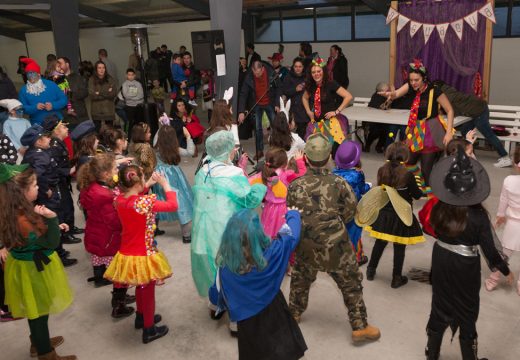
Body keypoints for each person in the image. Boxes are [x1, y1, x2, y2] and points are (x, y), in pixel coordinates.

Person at [286, 133, 381, 343]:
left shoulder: (295, 185)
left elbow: (290, 213)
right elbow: (349, 213)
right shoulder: (339, 183)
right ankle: (359, 327)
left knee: (300, 280)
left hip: (305, 243)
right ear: (329, 157)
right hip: (336, 245)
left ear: (307, 158)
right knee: (351, 282)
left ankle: (293, 313)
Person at [426, 147, 513, 360]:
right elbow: (490, 250)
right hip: (465, 265)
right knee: (466, 309)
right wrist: (505, 270)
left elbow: (434, 229)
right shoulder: (478, 216)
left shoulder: (440, 208)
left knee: (440, 303)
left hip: (440, 258)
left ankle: (432, 353)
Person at [208, 209, 307, 360]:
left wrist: (215, 302)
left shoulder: (224, 270)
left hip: (248, 324)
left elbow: (216, 294)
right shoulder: (273, 255)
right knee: (283, 350)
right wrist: (292, 214)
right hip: (275, 314)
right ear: (258, 234)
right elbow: (291, 235)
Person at [1, 163, 75, 360]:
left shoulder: (12, 210)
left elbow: (33, 237)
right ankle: (46, 354)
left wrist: (51, 225)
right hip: (33, 269)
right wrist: (52, 220)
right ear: (22, 192)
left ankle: (38, 341)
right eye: (34, 185)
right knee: (39, 311)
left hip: (23, 264)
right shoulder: (24, 220)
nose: (38, 188)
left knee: (35, 308)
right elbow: (51, 243)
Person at [104, 166, 178, 344]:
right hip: (144, 254)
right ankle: (149, 328)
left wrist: (148, 183)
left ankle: (141, 317)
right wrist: (165, 184)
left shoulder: (119, 199)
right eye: (143, 178)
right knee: (147, 291)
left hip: (126, 253)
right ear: (137, 182)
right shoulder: (144, 203)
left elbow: (133, 196)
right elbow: (172, 205)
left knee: (139, 285)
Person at [191, 130, 266, 297]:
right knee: (230, 264)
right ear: (227, 150)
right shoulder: (234, 174)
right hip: (226, 227)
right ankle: (232, 302)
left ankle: (214, 299)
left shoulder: (203, 170)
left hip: (203, 227)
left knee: (211, 263)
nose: (235, 150)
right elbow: (249, 200)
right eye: (233, 147)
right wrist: (259, 186)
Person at [77, 153, 136, 318]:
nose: (118, 170)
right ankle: (119, 305)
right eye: (115, 168)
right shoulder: (104, 197)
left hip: (100, 236)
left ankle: (121, 296)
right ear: (105, 174)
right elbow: (115, 222)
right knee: (121, 272)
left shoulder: (93, 187)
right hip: (110, 240)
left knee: (118, 272)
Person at [359, 142, 425, 288]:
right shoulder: (408, 175)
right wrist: (420, 186)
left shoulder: (382, 170)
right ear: (405, 157)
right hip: (400, 217)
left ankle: (370, 270)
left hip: (384, 215)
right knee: (399, 248)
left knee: (379, 243)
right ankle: (396, 278)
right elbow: (417, 195)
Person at [380, 59, 454, 186]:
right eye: (411, 80)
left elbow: (450, 110)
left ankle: (430, 194)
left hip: (431, 129)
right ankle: (415, 187)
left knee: (426, 169)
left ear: (424, 78)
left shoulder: (434, 91)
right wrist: (389, 94)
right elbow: (396, 93)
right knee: (408, 162)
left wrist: (448, 133)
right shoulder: (410, 87)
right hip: (415, 129)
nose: (413, 83)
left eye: (416, 80)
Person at [21, 124, 78, 267]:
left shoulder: (37, 152)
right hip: (47, 194)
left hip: (47, 190)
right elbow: (38, 175)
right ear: (39, 141)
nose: (49, 138)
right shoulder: (39, 155)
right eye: (46, 137)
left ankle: (58, 251)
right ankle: (58, 254)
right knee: (52, 220)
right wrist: (45, 189)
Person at [434, 80, 512, 168]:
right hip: (475, 112)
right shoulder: (449, 91)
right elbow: (457, 108)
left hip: (479, 112)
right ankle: (469, 153)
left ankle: (505, 157)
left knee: (489, 134)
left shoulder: (446, 95)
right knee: (465, 131)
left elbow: (452, 110)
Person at [41, 116, 82, 247]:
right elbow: (55, 167)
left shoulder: (59, 142)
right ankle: (65, 233)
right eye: (63, 126)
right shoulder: (54, 146)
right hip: (57, 181)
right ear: (56, 130)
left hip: (63, 180)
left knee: (68, 203)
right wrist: (70, 170)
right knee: (63, 206)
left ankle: (71, 226)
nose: (67, 128)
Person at [485, 146, 520, 294]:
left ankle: (493, 280)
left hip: (512, 223)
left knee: (504, 253)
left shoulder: (509, 180)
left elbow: (503, 199)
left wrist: (500, 215)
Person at [250, 147, 306, 239]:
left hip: (269, 207)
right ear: (285, 164)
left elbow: (250, 182)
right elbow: (301, 176)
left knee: (269, 231)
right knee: (284, 233)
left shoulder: (263, 174)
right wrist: (299, 161)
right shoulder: (287, 174)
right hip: (283, 209)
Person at [152, 125, 194, 244]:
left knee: (159, 200)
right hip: (173, 176)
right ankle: (186, 235)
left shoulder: (156, 147)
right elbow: (190, 152)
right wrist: (188, 136)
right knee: (181, 203)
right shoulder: (175, 149)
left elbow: (156, 138)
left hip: (159, 177)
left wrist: (160, 126)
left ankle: (153, 229)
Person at [302, 55, 351, 157]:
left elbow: (348, 96)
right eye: (313, 72)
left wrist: (336, 111)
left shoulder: (331, 84)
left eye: (318, 71)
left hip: (331, 124)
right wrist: (308, 111)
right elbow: (304, 98)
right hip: (316, 123)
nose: (316, 74)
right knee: (317, 152)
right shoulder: (310, 86)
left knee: (332, 152)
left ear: (323, 71)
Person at [332, 141, 370, 265]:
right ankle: (357, 257)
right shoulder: (357, 174)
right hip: (353, 208)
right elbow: (363, 188)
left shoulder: (333, 173)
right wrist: (369, 186)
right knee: (354, 232)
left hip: (337, 208)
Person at [238, 61, 281, 159]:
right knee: (257, 129)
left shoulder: (271, 73)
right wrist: (241, 111)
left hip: (270, 103)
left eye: (258, 73)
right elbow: (243, 94)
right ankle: (259, 151)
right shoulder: (249, 76)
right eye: (254, 73)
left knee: (275, 127)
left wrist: (277, 103)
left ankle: (276, 149)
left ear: (262, 69)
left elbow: (279, 88)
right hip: (256, 104)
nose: (256, 76)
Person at [18, 58, 68, 126]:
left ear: (38, 74)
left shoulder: (51, 84)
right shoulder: (23, 90)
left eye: (33, 73)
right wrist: (35, 107)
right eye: (28, 73)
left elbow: (64, 100)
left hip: (57, 122)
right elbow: (23, 108)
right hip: (38, 125)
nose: (30, 76)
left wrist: (53, 105)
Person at [57, 56, 90, 126]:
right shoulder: (57, 80)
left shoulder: (78, 78)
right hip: (65, 117)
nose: (59, 66)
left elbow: (85, 93)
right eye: (58, 65)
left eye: (61, 64)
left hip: (80, 116)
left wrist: (70, 94)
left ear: (67, 64)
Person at [282, 57, 307, 140]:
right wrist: (295, 89)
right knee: (291, 134)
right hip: (292, 109)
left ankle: (302, 151)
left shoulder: (307, 77)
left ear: (303, 67)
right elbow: (285, 91)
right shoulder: (289, 76)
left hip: (304, 109)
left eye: (300, 66)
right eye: (296, 66)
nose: (298, 68)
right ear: (293, 67)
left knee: (302, 134)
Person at [88, 61, 117, 132]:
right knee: (98, 133)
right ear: (96, 69)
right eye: (99, 68)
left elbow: (113, 93)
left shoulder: (110, 79)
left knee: (110, 133)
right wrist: (107, 92)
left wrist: (99, 93)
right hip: (96, 111)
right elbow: (92, 95)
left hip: (109, 110)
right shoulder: (91, 79)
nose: (102, 70)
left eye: (103, 68)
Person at [363, 82, 391, 153]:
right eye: (386, 90)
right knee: (376, 131)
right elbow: (381, 107)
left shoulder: (387, 96)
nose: (388, 92)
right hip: (373, 120)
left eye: (388, 90)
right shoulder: (376, 96)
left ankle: (379, 146)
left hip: (384, 120)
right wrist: (388, 101)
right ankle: (368, 145)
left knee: (386, 130)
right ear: (380, 91)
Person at [121, 68, 144, 134]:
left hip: (138, 105)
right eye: (129, 75)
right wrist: (135, 95)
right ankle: (129, 136)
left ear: (134, 75)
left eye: (132, 75)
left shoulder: (138, 84)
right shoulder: (124, 84)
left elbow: (141, 95)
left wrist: (131, 96)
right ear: (126, 75)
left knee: (139, 123)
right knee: (130, 123)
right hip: (129, 106)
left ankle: (139, 136)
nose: (130, 76)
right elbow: (126, 95)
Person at [0, 66, 18, 131]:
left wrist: (12, 108)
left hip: (6, 112)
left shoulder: (7, 81)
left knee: (8, 131)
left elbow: (14, 94)